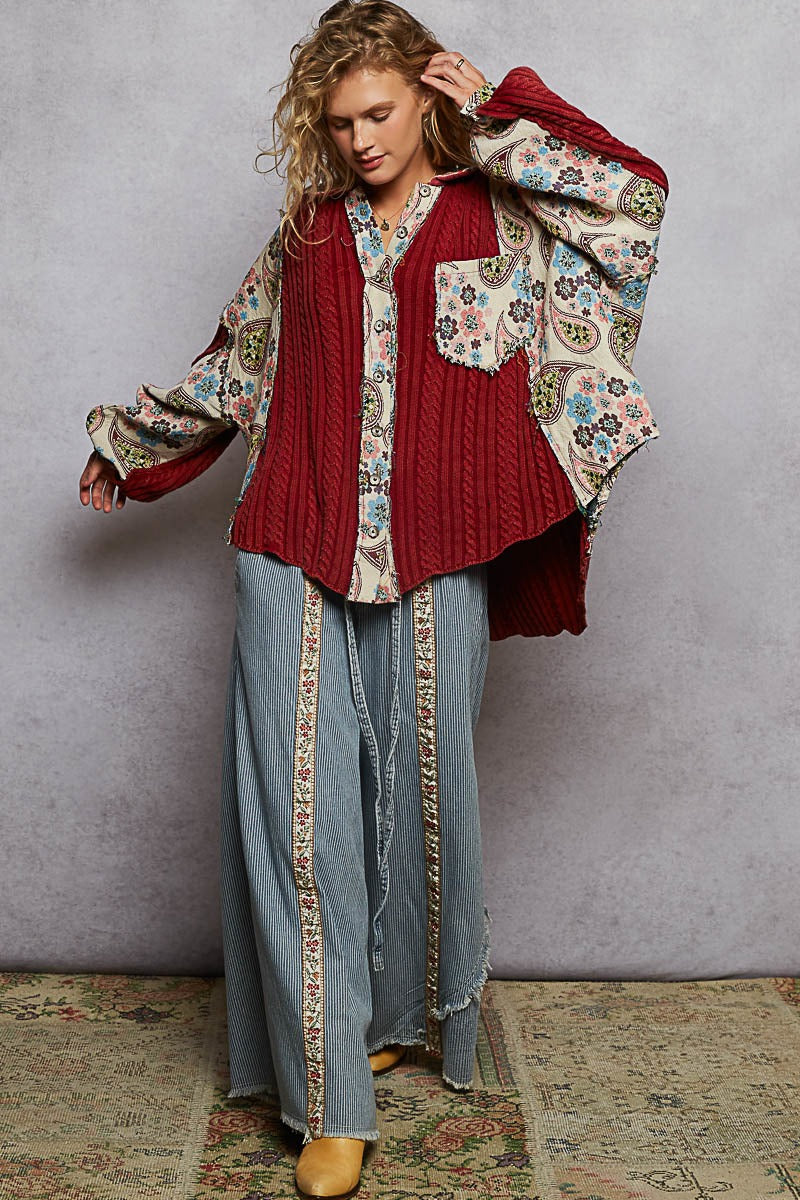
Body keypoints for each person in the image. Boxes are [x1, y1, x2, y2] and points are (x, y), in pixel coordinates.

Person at [79, 2, 668, 1195]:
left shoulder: (501, 213)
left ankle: (390, 1010)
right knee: (299, 821)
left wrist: (500, 121)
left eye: (381, 112)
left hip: (438, 551)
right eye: (339, 120)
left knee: (420, 793)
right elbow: (235, 360)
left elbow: (634, 205)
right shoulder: (305, 234)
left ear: (424, 96)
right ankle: (329, 1096)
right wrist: (134, 447)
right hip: (290, 539)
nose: (358, 141)